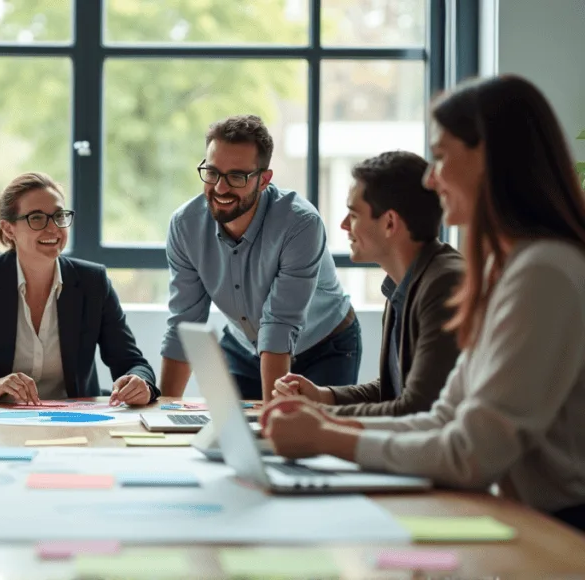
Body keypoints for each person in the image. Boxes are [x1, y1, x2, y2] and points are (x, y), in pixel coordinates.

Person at [263, 75, 585, 532]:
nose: (432, 179)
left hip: (562, 531)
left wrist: (329, 436)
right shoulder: (506, 269)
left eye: (441, 156)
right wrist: (324, 426)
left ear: (489, 157)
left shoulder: (543, 272)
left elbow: (469, 452)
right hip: (530, 521)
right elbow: (442, 417)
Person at [161, 115, 359, 402]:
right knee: (233, 436)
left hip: (324, 346)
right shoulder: (185, 225)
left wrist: (274, 422)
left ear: (264, 180)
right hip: (244, 346)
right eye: (213, 172)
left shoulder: (300, 223)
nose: (220, 188)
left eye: (237, 177)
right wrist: (162, 415)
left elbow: (279, 324)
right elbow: (185, 324)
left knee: (303, 439)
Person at [0, 172, 158, 405]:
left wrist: (140, 382)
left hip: (75, 420)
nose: (53, 228)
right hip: (2, 419)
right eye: (36, 218)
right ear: (8, 229)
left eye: (59, 216)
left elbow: (131, 362)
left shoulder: (92, 281)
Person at [272, 151, 464, 416]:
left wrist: (319, 417)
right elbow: (392, 391)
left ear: (389, 223)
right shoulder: (402, 285)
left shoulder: (444, 285)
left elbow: (418, 408)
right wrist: (321, 396)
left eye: (353, 214)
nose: (342, 225)